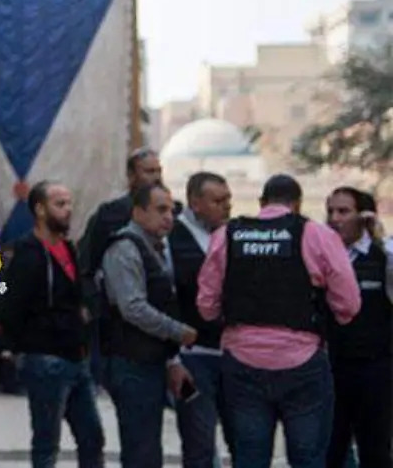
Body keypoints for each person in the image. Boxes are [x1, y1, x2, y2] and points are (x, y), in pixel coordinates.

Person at [197, 174, 361, 468]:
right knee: (308, 458)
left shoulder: (227, 235)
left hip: (242, 362)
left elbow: (206, 306)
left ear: (262, 203)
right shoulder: (316, 234)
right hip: (303, 363)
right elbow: (349, 304)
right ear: (297, 204)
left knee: (249, 457)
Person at [0, 181, 105, 468]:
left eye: (69, 203)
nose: (68, 209)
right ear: (40, 209)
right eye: (60, 204)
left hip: (77, 357)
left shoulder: (68, 248)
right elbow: (11, 307)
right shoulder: (28, 252)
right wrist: (24, 348)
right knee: (47, 444)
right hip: (45, 360)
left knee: (92, 438)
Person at [101, 183, 197, 468]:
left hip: (152, 361)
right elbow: (133, 307)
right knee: (141, 451)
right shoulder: (125, 248)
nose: (169, 217)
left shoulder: (153, 248)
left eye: (172, 210)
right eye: (160, 209)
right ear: (138, 212)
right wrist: (178, 332)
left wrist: (172, 359)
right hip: (132, 364)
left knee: (149, 449)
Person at [78, 147, 168, 381]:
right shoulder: (111, 214)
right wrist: (95, 308)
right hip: (121, 326)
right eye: (148, 171)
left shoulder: (173, 212)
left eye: (158, 171)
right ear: (131, 176)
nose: (156, 177)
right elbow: (87, 264)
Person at [167, 172, 235, 467]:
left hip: (232, 355)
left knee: (243, 438)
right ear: (195, 203)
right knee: (198, 443)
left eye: (228, 199)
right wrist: (172, 359)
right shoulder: (172, 239)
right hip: (191, 357)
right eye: (217, 201)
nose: (226, 206)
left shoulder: (233, 234)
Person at [324, 186, 392, 468]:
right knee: (330, 448)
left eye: (344, 211)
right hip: (331, 367)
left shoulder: (382, 257)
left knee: (375, 448)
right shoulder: (324, 256)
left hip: (375, 368)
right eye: (331, 211)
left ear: (363, 216)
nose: (335, 219)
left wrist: (379, 235)